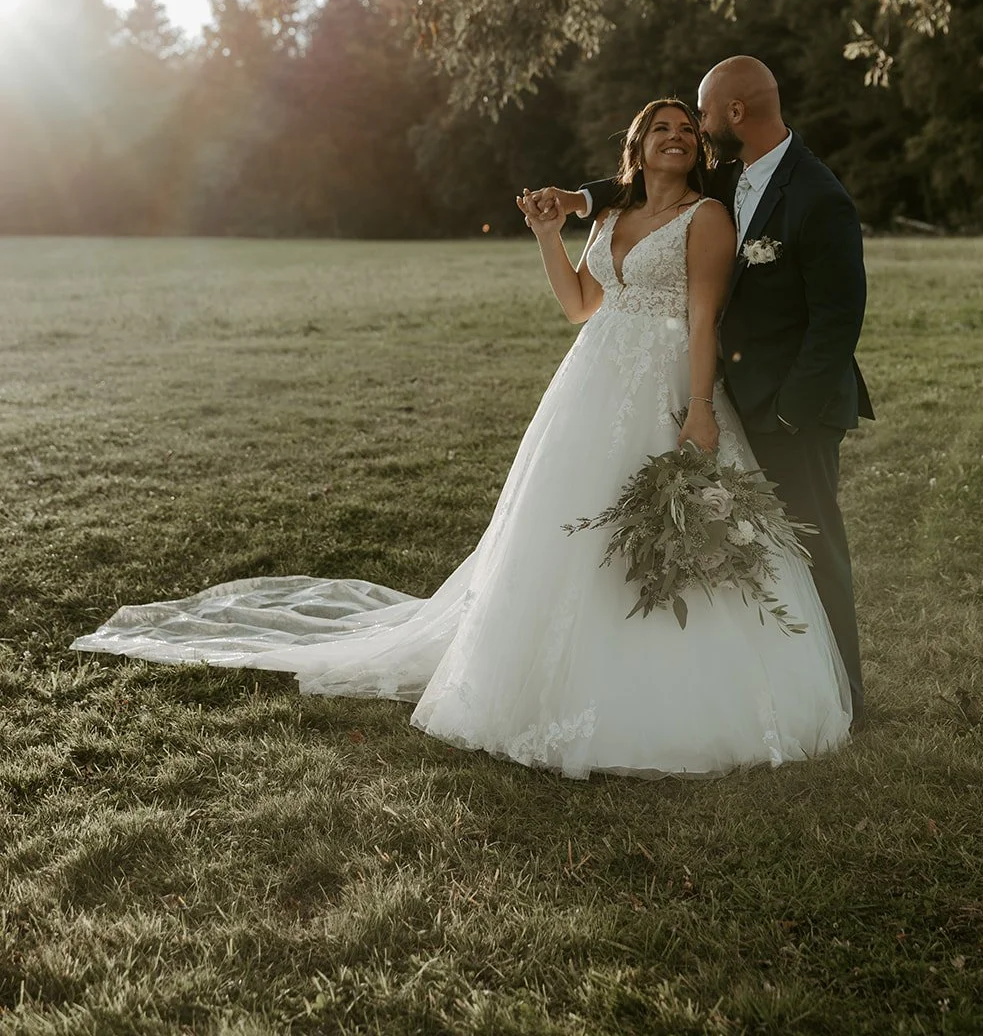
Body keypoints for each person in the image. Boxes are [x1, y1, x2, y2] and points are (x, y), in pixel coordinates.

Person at [72, 98, 852, 778]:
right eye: (660, 128)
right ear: (637, 146)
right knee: (565, 529)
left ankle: (674, 695)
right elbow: (581, 304)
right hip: (591, 382)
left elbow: (705, 316)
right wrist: (549, 233)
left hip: (664, 385)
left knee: (665, 529)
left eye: (686, 127)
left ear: (697, 147)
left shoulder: (705, 217)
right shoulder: (610, 215)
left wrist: (698, 412)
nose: (676, 136)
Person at [529, 57, 872, 724]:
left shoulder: (816, 196)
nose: (693, 128)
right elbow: (641, 180)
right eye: (676, 124)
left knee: (809, 546)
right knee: (737, 535)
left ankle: (843, 696)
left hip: (792, 405)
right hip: (717, 385)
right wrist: (576, 202)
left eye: (701, 115)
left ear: (733, 114)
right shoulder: (729, 173)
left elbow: (838, 319)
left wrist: (790, 413)